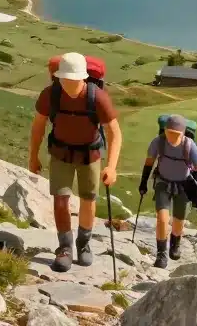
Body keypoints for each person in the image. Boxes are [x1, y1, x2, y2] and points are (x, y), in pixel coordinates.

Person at [28, 52, 122, 272]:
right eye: (64, 78)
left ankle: (84, 243)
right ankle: (65, 248)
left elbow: (114, 133)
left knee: (88, 200)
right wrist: (33, 156)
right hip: (61, 153)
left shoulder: (97, 97)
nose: (69, 83)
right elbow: (38, 127)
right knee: (60, 200)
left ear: (83, 77)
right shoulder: (50, 95)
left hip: (90, 155)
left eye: (73, 79)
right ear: (58, 77)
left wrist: (111, 167)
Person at [139, 114, 197, 269]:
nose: (171, 137)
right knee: (162, 219)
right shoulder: (158, 142)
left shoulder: (189, 146)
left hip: (184, 185)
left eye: (176, 134)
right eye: (169, 133)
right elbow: (149, 163)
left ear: (183, 133)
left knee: (178, 221)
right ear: (164, 131)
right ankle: (161, 254)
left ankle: (175, 244)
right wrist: (143, 183)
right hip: (163, 183)